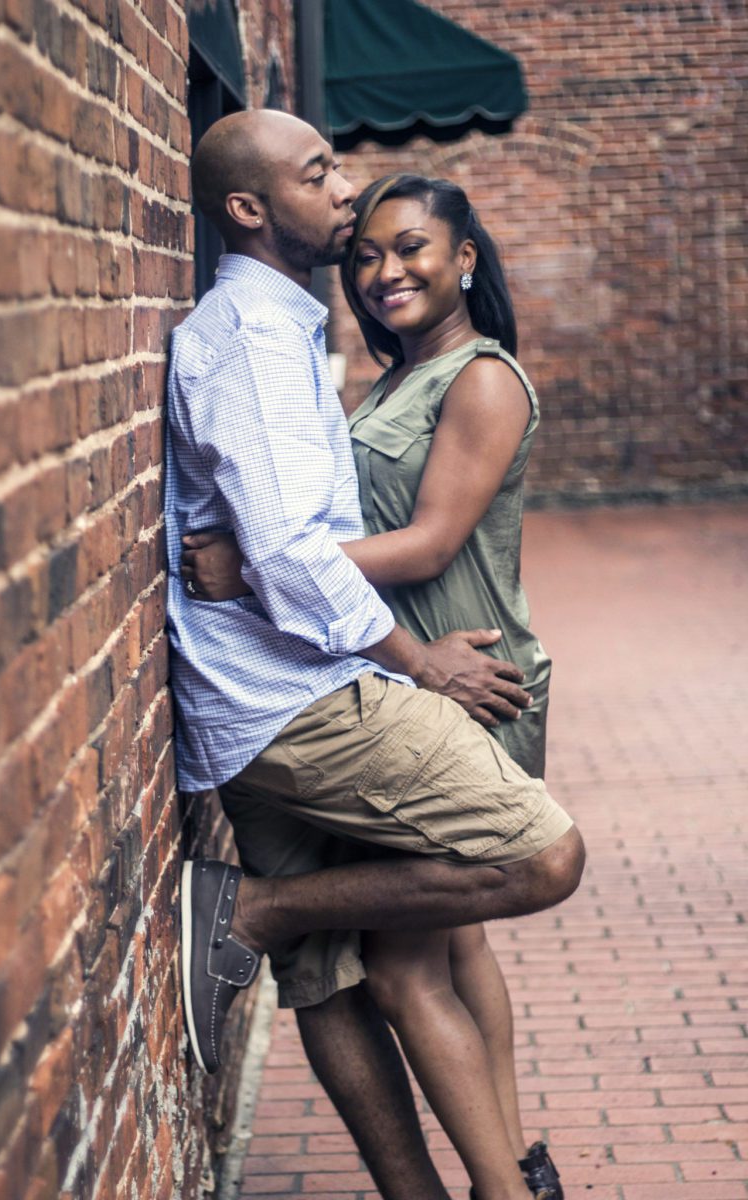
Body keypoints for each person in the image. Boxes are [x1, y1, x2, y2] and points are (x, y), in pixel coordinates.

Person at [166, 108, 584, 1200]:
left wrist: (254, 569)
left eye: (408, 248)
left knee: (428, 951)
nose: (369, 245)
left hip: (451, 667)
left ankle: (509, 1170)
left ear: (466, 260)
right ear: (249, 208)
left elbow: (419, 541)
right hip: (356, 673)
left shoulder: (471, 375)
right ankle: (502, 1177)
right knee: (395, 963)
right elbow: (299, 539)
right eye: (324, 184)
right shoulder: (304, 351)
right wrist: (291, 578)